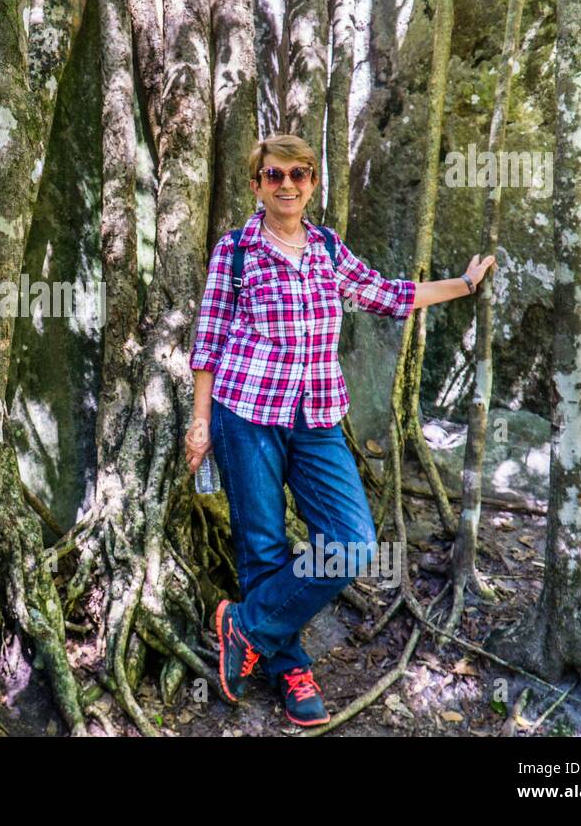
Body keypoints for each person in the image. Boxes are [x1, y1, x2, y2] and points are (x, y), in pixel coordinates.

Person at [185, 133, 495, 725]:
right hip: (245, 414)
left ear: (311, 184)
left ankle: (244, 626)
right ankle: (289, 667)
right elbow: (208, 340)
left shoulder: (327, 249)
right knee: (264, 547)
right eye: (274, 176)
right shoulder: (237, 251)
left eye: (299, 175)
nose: (287, 185)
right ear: (257, 185)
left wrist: (463, 285)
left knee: (350, 546)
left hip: (319, 418)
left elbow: (388, 294)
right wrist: (200, 421)